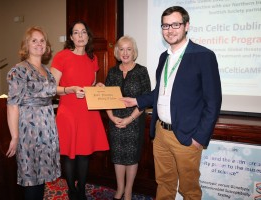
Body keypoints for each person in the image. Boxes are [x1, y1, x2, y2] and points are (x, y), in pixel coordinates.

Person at [122, 6, 222, 200]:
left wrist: (199, 138)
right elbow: (160, 92)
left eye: (175, 24)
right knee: (164, 184)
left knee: (189, 190)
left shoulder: (204, 56)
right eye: (166, 25)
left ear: (186, 26)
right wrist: (137, 100)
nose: (170, 30)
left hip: (187, 136)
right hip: (160, 134)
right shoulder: (164, 57)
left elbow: (213, 101)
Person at [50, 20, 109, 200]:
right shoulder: (62, 56)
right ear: (71, 37)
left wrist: (97, 86)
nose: (80, 36)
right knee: (69, 154)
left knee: (84, 153)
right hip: (68, 110)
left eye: (83, 32)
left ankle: (81, 189)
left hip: (87, 111)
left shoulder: (93, 58)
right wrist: (70, 89)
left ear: (88, 36)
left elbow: (89, 84)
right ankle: (71, 190)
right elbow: (52, 88)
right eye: (76, 32)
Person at [6, 26, 61, 200]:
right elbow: (13, 105)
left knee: (42, 176)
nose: (39, 44)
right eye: (34, 40)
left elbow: (51, 93)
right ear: (26, 45)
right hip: (29, 130)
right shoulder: (19, 70)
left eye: (42, 40)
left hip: (47, 128)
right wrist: (15, 137)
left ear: (47, 46)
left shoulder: (47, 71)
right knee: (31, 177)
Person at [105, 35, 151, 200]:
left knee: (131, 158)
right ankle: (119, 189)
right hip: (115, 121)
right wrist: (111, 117)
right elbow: (105, 98)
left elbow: (146, 99)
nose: (125, 53)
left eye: (129, 49)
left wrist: (129, 119)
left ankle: (129, 191)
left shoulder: (141, 71)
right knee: (117, 157)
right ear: (117, 51)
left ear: (134, 52)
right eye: (121, 49)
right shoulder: (112, 72)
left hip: (134, 122)